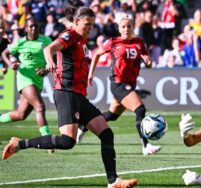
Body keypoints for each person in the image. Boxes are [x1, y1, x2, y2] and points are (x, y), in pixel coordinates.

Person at [2, 6, 138, 188]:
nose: (90, 28)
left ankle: (113, 181)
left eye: (92, 24)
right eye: (87, 24)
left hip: (79, 96)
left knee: (107, 134)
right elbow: (50, 48)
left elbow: (72, 61)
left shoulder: (81, 40)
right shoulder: (71, 35)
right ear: (76, 22)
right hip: (66, 93)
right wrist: (49, 60)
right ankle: (19, 144)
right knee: (67, 142)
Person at [87, 16, 161, 156]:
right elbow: (96, 54)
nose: (126, 29)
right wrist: (91, 74)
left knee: (112, 115)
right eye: (123, 27)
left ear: (133, 27)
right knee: (140, 108)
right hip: (118, 83)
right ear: (119, 29)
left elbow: (149, 64)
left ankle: (83, 125)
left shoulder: (139, 43)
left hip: (130, 84)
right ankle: (145, 145)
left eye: (129, 26)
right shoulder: (113, 42)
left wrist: (148, 61)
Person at [1, 18, 54, 154]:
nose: (33, 29)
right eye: (30, 27)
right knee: (40, 107)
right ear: (25, 29)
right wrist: (10, 64)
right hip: (25, 78)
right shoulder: (21, 42)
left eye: (35, 26)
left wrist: (46, 70)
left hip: (38, 79)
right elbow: (4, 53)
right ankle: (47, 142)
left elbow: (52, 61)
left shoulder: (46, 41)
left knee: (21, 115)